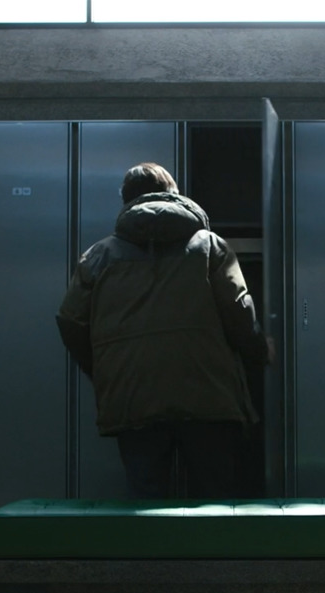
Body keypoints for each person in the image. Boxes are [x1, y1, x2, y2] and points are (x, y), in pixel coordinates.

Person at [56, 162, 270, 499]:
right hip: (207, 394)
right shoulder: (210, 247)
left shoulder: (99, 256)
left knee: (146, 503)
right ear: (174, 193)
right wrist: (258, 354)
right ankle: (211, 553)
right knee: (212, 500)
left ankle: (151, 553)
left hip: (133, 396)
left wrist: (105, 369)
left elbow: (70, 320)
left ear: (125, 201)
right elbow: (239, 312)